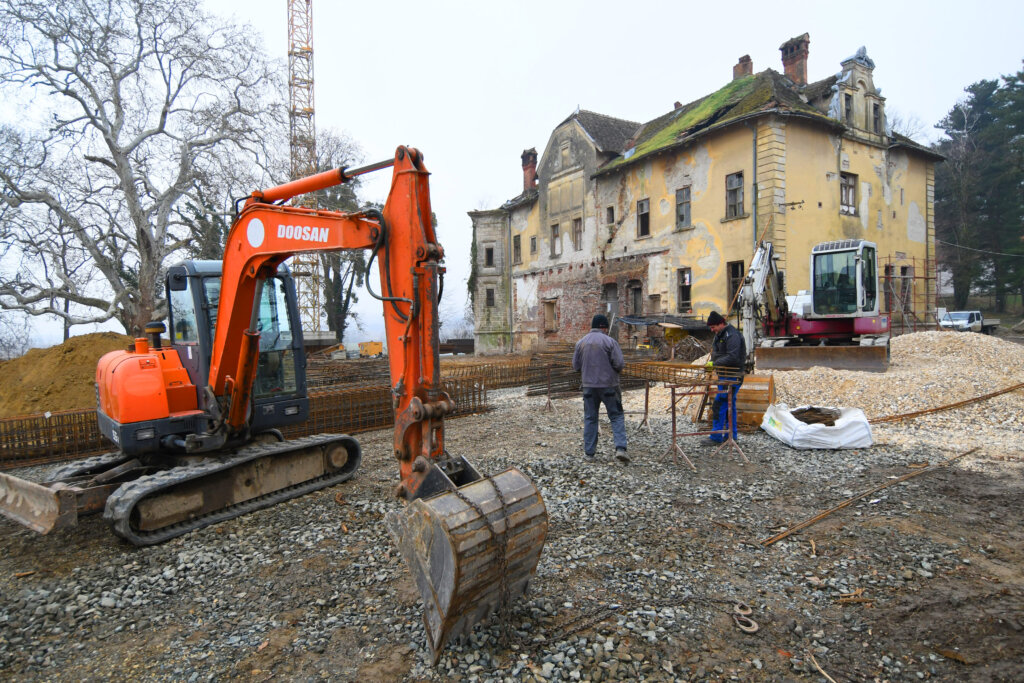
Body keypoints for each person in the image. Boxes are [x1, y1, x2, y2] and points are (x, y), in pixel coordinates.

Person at [572, 314, 629, 463]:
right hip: (609, 386)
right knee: (616, 416)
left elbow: (576, 366)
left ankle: (589, 454)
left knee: (590, 418)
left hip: (589, 387)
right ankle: (620, 449)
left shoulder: (581, 343)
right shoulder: (610, 342)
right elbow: (619, 364)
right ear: (603, 327)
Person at [705, 310, 746, 444]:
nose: (712, 330)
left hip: (733, 376)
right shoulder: (720, 335)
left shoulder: (732, 335)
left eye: (713, 327)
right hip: (724, 376)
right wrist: (713, 363)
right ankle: (731, 436)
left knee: (720, 403)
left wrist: (714, 363)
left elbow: (733, 356)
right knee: (729, 404)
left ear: (721, 324)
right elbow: (717, 353)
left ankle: (716, 437)